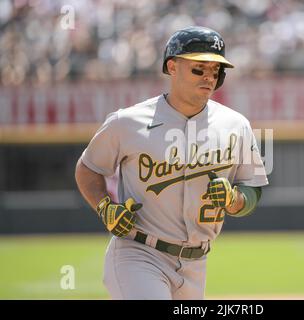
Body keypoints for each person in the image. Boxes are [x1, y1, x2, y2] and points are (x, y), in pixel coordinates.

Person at [74, 26, 269, 300]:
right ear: (172, 67)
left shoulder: (236, 125)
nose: (209, 77)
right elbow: (89, 168)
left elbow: (253, 188)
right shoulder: (127, 122)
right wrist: (104, 206)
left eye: (216, 71)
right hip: (139, 253)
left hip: (197, 263)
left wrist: (234, 199)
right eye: (199, 69)